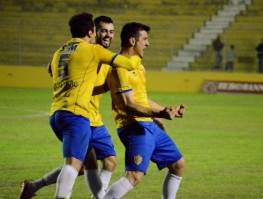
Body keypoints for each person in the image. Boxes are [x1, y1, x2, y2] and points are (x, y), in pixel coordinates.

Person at [19, 15, 119, 199]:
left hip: (93, 119)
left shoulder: (104, 59)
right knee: (78, 165)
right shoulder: (85, 53)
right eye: (103, 31)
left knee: (108, 162)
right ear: (93, 32)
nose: (108, 35)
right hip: (79, 116)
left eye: (112, 32)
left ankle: (33, 186)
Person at [47, 12, 138, 199]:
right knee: (73, 164)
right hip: (76, 114)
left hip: (56, 114)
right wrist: (135, 52)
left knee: (92, 164)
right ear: (91, 32)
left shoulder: (59, 52)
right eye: (99, 30)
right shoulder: (93, 50)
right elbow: (127, 63)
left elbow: (51, 70)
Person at [101, 22, 186, 199]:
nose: (148, 44)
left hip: (149, 125)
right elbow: (128, 105)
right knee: (134, 176)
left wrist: (165, 110)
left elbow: (142, 99)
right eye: (145, 39)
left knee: (178, 165)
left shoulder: (138, 66)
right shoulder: (120, 69)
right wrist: (158, 114)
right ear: (133, 41)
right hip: (133, 127)